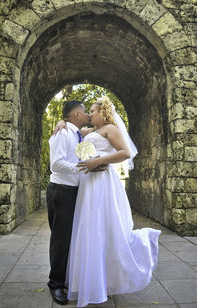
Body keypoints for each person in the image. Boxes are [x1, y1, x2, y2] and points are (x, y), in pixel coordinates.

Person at [56, 96, 161, 307]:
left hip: (103, 181)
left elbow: (125, 152)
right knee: (89, 228)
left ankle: (140, 248)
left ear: (102, 113)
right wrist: (60, 122)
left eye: (92, 111)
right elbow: (72, 130)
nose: (89, 115)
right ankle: (96, 279)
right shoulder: (90, 132)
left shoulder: (110, 129)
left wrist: (98, 160)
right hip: (88, 183)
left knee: (103, 226)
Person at [46, 100, 90, 305]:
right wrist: (83, 167)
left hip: (74, 192)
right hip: (61, 191)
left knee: (70, 238)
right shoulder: (62, 133)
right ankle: (55, 284)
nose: (88, 114)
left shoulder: (77, 134)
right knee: (60, 240)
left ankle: (64, 278)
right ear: (77, 115)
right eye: (85, 111)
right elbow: (56, 164)